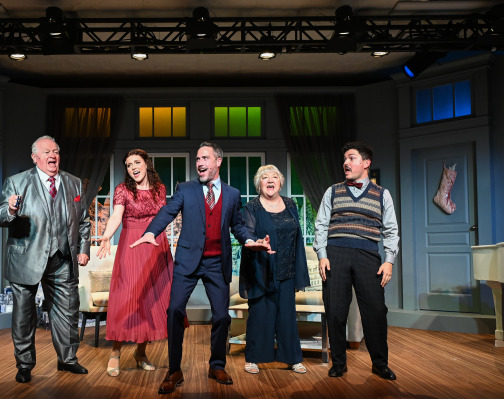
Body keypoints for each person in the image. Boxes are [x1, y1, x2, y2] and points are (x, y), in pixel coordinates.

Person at [130, 142, 272, 394]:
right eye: (197, 159)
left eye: (204, 158)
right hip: (187, 261)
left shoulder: (232, 194)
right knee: (174, 310)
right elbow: (168, 211)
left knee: (221, 317)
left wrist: (251, 241)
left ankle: (216, 365)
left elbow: (237, 226)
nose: (199, 163)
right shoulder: (185, 189)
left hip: (217, 263)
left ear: (218, 162)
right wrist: (151, 231)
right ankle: (174, 370)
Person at [0, 135, 91, 383]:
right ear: (35, 157)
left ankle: (67, 359)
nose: (53, 155)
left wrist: (84, 248)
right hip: (27, 259)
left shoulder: (74, 183)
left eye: (56, 151)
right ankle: (24, 365)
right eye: (47, 152)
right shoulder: (16, 182)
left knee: (68, 312)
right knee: (25, 315)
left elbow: (83, 221)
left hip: (63, 259)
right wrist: (12, 210)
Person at [313, 141, 399, 380]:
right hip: (335, 254)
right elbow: (320, 225)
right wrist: (322, 256)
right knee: (336, 311)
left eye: (351, 158)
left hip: (368, 256)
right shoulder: (333, 191)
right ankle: (339, 362)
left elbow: (391, 230)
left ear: (366, 163)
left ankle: (380, 363)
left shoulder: (383, 194)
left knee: (376, 312)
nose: (346, 163)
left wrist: (389, 260)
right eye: (345, 159)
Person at [96, 149, 174, 377]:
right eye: (129, 165)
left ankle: (141, 353)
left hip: (156, 245)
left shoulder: (160, 189)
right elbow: (116, 216)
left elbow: (164, 216)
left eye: (137, 162)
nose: (133, 167)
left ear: (146, 164)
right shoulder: (123, 190)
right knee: (127, 298)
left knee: (151, 298)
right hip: (131, 246)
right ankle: (115, 353)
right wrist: (107, 235)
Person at [239, 165, 310, 375]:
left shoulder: (290, 204)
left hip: (287, 269)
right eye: (264, 178)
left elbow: (297, 234)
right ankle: (253, 358)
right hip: (262, 270)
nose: (270, 181)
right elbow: (248, 234)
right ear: (259, 184)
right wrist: (257, 241)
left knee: (287, 316)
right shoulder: (252, 207)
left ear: (280, 182)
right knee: (260, 314)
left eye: (274, 177)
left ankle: (293, 359)